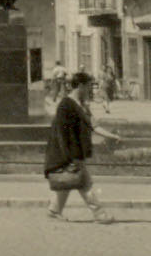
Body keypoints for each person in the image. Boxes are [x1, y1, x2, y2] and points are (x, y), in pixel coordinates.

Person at [44, 72, 114, 223]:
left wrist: (112, 136)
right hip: (70, 152)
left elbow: (94, 125)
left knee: (70, 181)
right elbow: (61, 133)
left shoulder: (82, 105)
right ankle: (100, 215)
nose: (91, 89)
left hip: (76, 151)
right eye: (89, 86)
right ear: (81, 86)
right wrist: (68, 157)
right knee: (85, 183)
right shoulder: (66, 105)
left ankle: (54, 210)